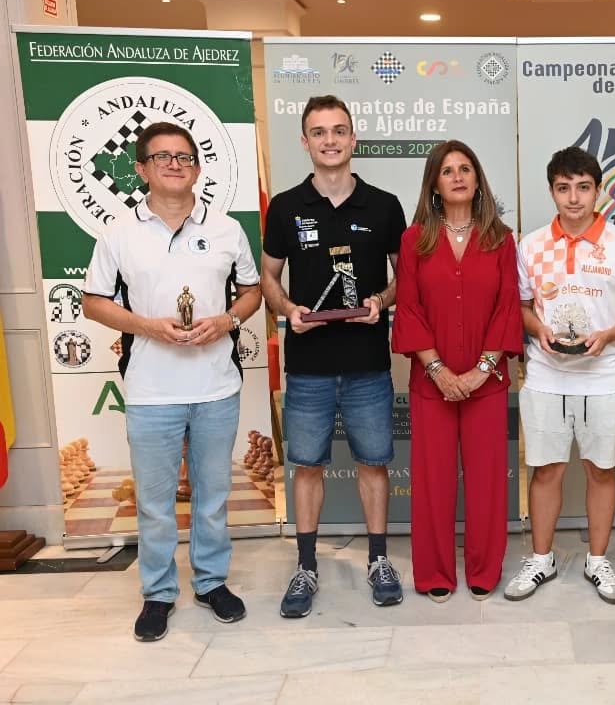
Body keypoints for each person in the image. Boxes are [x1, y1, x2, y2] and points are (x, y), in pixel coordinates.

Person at [83, 121, 262, 641]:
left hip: (215, 387)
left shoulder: (226, 230)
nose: (174, 164)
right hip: (151, 391)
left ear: (198, 168)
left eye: (184, 156)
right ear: (141, 169)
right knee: (155, 502)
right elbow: (94, 303)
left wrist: (227, 320)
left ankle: (210, 582)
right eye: (161, 156)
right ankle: (158, 593)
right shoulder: (118, 235)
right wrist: (146, 325)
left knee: (212, 496)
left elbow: (250, 292)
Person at [261, 95, 407, 617]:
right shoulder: (285, 206)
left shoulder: (385, 204)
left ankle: (378, 560)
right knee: (307, 467)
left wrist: (380, 301)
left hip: (368, 361)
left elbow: (404, 277)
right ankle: (305, 566)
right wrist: (287, 310)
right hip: (308, 366)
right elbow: (269, 278)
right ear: (305, 141)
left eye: (338, 130)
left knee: (374, 463)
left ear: (353, 138)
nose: (329, 140)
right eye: (318, 132)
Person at [507, 147, 615, 604]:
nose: (573, 198)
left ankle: (598, 561)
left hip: (605, 376)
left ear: (598, 191)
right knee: (546, 470)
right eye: (563, 188)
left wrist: (609, 333)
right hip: (545, 376)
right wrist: (539, 329)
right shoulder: (531, 245)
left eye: (583, 187)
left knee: (601, 469)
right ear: (552, 190)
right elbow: (518, 306)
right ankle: (541, 559)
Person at [391, 140, 522, 602]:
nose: (458, 176)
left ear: (478, 178)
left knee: (488, 482)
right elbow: (408, 308)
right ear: (434, 184)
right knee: (432, 483)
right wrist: (440, 371)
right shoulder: (413, 241)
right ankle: (435, 574)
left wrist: (482, 370)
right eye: (447, 170)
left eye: (466, 167)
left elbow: (508, 309)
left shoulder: (502, 239)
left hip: (487, 383)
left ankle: (486, 569)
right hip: (433, 384)